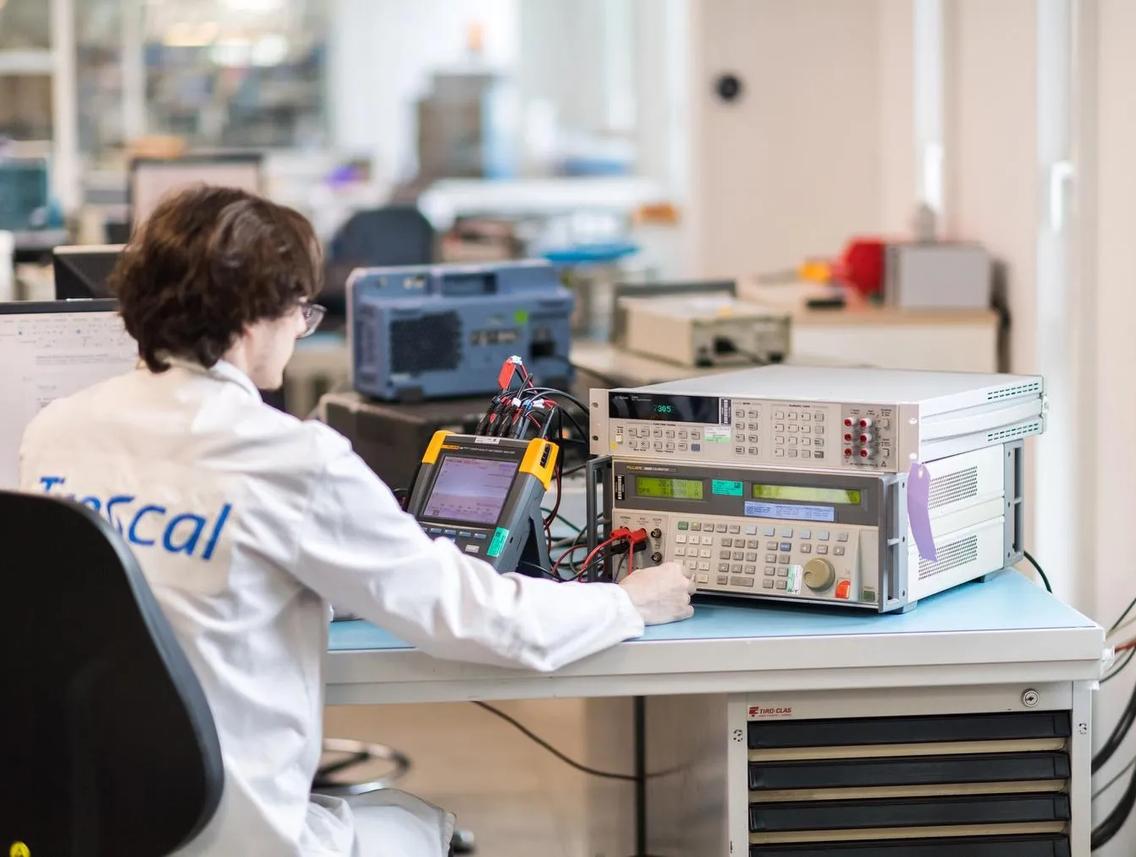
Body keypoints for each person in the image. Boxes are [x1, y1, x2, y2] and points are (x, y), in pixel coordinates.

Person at [18, 186, 695, 857]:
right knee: (420, 823)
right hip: (233, 835)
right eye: (300, 313)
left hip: (92, 823)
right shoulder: (285, 456)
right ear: (255, 318)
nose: (299, 328)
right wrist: (625, 601)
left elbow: (164, 572)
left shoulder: (54, 431)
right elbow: (476, 616)